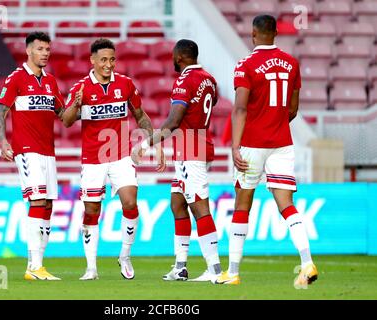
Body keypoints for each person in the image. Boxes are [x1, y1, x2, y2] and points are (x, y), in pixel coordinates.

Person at [214, 15, 318, 286]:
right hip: (282, 143)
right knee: (287, 205)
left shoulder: (245, 64)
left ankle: (233, 273)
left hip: (252, 144)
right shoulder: (292, 63)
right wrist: (276, 125)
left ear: (253, 34)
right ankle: (307, 263)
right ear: (274, 33)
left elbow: (239, 108)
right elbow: (293, 109)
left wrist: (236, 146)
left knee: (242, 203)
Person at [62, 38, 165, 281]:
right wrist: (76, 106)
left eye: (112, 59)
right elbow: (66, 121)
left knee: (130, 202)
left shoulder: (126, 84)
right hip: (93, 159)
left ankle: (125, 255)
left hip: (120, 155)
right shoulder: (82, 88)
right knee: (92, 209)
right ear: (93, 61)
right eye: (104, 60)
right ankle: (91, 268)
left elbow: (140, 115)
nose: (108, 64)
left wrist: (155, 144)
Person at [131, 39, 222, 282]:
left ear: (180, 57)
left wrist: (145, 144)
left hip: (191, 150)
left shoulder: (184, 80)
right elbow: (213, 102)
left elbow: (172, 122)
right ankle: (181, 267)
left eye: (173, 56)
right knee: (177, 204)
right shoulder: (209, 79)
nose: (172, 60)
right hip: (199, 143)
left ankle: (215, 271)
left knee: (200, 207)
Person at [0, 31, 65, 281]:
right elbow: (1, 112)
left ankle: (37, 266)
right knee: (36, 202)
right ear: (28, 51)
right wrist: (4, 141)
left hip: (48, 151)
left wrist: (77, 105)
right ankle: (34, 267)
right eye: (40, 49)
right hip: (26, 150)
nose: (45, 53)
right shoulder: (16, 78)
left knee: (47, 204)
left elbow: (63, 116)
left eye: (47, 49)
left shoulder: (51, 82)